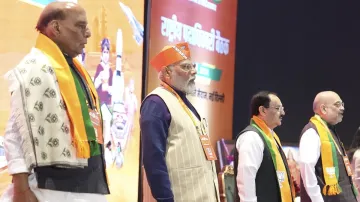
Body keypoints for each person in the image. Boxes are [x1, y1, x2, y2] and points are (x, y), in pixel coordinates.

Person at [0, 2, 109, 202]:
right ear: (56, 28)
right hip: (51, 189)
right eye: (80, 26)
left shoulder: (75, 67)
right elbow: (16, 133)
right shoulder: (35, 68)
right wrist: (21, 189)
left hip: (88, 185)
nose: (88, 33)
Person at [140, 42, 220, 202]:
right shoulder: (156, 103)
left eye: (193, 66)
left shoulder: (186, 104)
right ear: (167, 72)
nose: (194, 72)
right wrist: (165, 199)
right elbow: (153, 159)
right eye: (185, 67)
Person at [234, 91, 295, 202]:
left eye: (282, 108)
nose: (283, 113)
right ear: (262, 110)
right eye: (278, 108)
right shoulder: (251, 137)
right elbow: (246, 180)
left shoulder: (272, 137)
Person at [299, 91, 357, 202]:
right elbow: (307, 169)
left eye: (342, 104)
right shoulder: (312, 132)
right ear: (324, 109)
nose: (342, 108)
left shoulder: (330, 131)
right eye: (337, 104)